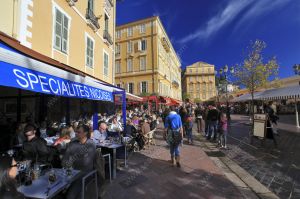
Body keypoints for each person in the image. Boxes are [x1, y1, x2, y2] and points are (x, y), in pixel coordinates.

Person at [62, 124, 96, 199]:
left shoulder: (91, 144)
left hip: (85, 173)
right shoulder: (73, 143)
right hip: (71, 172)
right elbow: (64, 159)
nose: (76, 133)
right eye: (76, 132)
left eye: (79, 132)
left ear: (85, 133)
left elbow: (85, 163)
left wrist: (71, 160)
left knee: (70, 196)